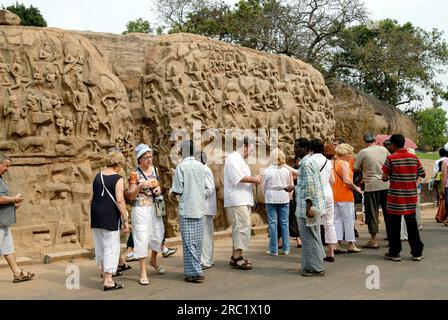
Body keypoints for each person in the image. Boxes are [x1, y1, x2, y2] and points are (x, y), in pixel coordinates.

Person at [90, 150, 129, 291]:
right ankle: (108, 280)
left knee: (100, 244)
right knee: (111, 246)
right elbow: (119, 200)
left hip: (96, 214)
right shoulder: (118, 178)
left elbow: (91, 198)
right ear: (118, 164)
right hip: (110, 215)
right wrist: (125, 219)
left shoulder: (97, 176)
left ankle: (102, 271)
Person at [382, 134, 425, 262]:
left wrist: (390, 176)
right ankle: (417, 252)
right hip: (410, 197)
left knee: (394, 226)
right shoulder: (413, 158)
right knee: (412, 226)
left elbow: (384, 177)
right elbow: (422, 173)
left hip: (395, 198)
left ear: (393, 145)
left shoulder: (391, 158)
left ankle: (394, 253)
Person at [126, 144, 165, 285]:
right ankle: (143, 270)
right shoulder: (134, 174)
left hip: (155, 207)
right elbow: (130, 196)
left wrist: (158, 189)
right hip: (141, 209)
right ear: (139, 159)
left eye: (150, 157)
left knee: (158, 234)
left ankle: (153, 260)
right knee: (142, 238)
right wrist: (140, 186)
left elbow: (159, 184)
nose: (149, 159)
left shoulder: (154, 169)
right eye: (146, 157)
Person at [171, 140, 208, 282]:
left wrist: (171, 193)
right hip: (199, 208)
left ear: (182, 152)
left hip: (187, 208)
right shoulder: (201, 167)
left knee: (188, 242)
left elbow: (177, 190)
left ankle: (193, 273)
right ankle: (195, 270)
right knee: (198, 242)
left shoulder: (181, 167)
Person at [224, 137, 262, 270]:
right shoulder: (233, 158)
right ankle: (238, 257)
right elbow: (238, 178)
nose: (251, 153)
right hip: (237, 198)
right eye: (251, 150)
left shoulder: (241, 160)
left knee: (239, 227)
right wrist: (254, 179)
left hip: (243, 198)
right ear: (244, 146)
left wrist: (254, 179)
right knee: (244, 225)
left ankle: (235, 256)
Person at [0, 154, 35, 283]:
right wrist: (14, 198)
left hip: (3, 222)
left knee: (8, 249)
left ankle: (17, 273)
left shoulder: (1, 179)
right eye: (6, 166)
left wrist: (13, 205)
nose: (7, 169)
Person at [295, 138, 326, 276]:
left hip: (308, 208)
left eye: (296, 147)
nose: (294, 150)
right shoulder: (309, 162)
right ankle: (311, 265)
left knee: (309, 237)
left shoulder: (306, 164)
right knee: (313, 236)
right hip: (312, 206)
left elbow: (310, 188)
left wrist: (308, 208)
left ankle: (316, 267)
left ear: (304, 148)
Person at [354, 133, 389, 249]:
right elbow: (390, 162)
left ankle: (373, 240)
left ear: (365, 141)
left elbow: (355, 168)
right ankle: (391, 237)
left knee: (372, 213)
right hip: (386, 184)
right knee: (388, 212)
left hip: (371, 185)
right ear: (375, 140)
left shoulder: (363, 152)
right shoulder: (384, 150)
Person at [310, 139, 338, 262]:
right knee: (329, 223)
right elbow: (333, 181)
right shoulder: (328, 161)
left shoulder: (310, 161)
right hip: (328, 193)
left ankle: (317, 252)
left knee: (314, 223)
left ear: (310, 149)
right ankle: (331, 252)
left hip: (315, 194)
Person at [332, 143, 362, 254]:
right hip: (345, 195)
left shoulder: (332, 162)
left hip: (334, 195)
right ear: (345, 153)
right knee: (348, 220)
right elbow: (347, 181)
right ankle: (351, 244)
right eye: (349, 153)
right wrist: (356, 188)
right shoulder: (344, 164)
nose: (351, 155)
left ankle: (336, 244)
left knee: (336, 221)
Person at [262, 149, 293, 256]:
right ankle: (286, 248)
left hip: (271, 197)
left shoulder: (267, 171)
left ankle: (273, 249)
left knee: (272, 224)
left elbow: (264, 186)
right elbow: (289, 185)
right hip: (284, 196)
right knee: (284, 223)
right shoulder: (286, 170)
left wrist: (265, 194)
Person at [194, 151, 217, 269]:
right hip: (204, 207)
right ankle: (208, 259)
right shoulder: (203, 169)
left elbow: (210, 188)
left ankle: (206, 261)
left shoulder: (204, 169)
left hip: (205, 207)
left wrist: (196, 195)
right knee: (206, 234)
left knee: (206, 235)